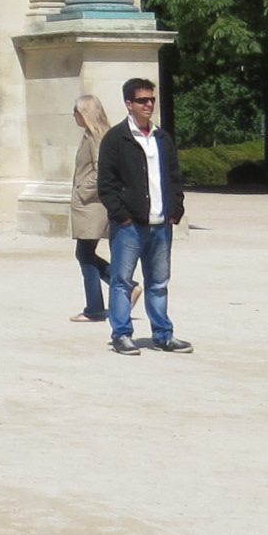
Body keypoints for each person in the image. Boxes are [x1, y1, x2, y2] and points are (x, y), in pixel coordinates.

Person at [99, 76, 189, 354]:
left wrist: (176, 209)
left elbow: (174, 176)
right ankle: (122, 334)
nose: (149, 105)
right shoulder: (116, 139)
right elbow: (106, 184)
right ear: (129, 103)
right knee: (122, 282)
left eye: (151, 99)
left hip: (161, 224)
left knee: (159, 283)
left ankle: (163, 334)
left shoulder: (162, 138)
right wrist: (122, 215)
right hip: (130, 226)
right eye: (142, 100)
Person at [68, 94, 113, 323]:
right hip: (90, 205)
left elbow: (100, 171)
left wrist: (81, 192)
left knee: (84, 254)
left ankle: (95, 307)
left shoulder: (96, 137)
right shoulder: (91, 135)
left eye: (76, 111)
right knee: (85, 254)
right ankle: (103, 299)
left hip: (92, 205)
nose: (73, 116)